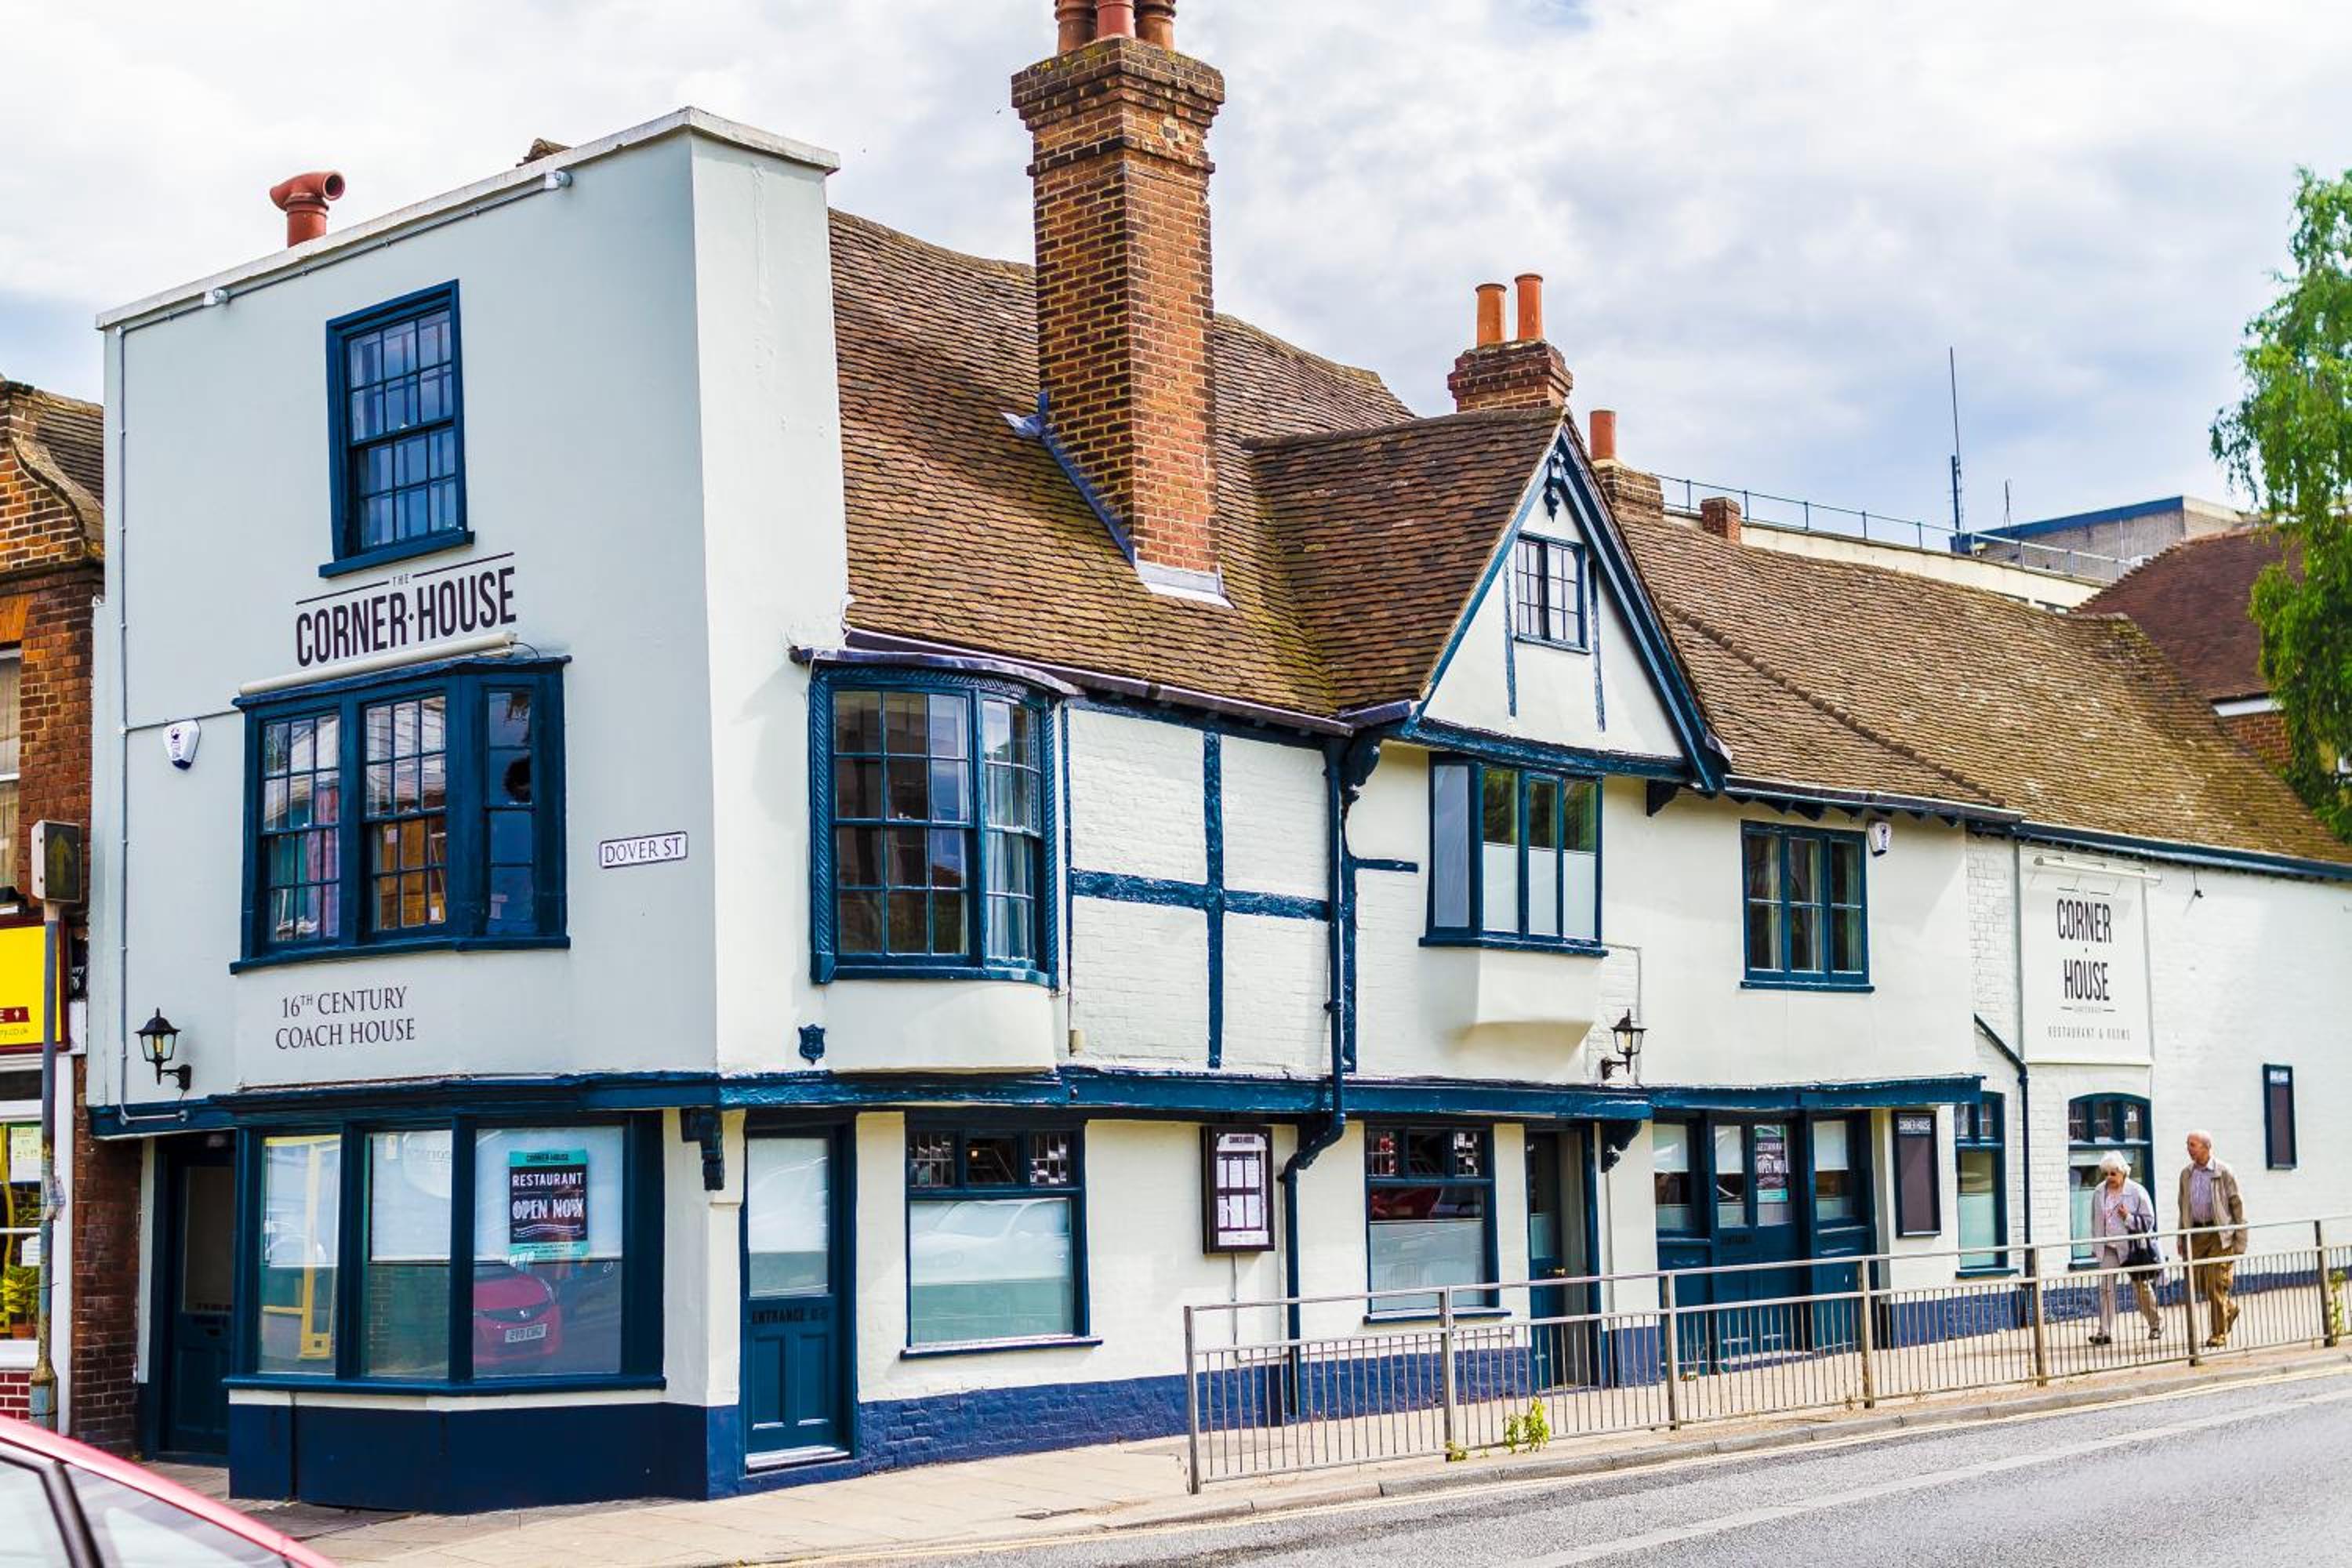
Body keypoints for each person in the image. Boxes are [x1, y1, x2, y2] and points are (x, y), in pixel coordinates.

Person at [2177, 1130, 2245, 1347]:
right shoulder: (2186, 1174)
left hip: (2219, 1234)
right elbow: (2183, 1207)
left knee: (2216, 1284)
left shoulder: (2223, 1172)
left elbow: (2237, 1205)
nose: (2189, 1148)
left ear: (2207, 1147)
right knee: (2198, 1282)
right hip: (2196, 1233)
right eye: (2188, 1144)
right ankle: (2229, 1308)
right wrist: (2181, 1237)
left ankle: (2219, 1333)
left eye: (2193, 1145)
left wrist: (2240, 1240)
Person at [2086, 1152, 2161, 1345]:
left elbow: (2149, 1221)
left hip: (2132, 1248)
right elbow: (2095, 1220)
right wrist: (2096, 1245)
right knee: (2106, 1289)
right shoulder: (2099, 1192)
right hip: (2108, 1248)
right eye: (2106, 1174)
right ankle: (2104, 1332)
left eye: (2113, 1174)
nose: (2109, 1178)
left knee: (2142, 1287)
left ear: (2123, 1173)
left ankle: (2156, 1325)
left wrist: (2128, 1217)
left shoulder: (2137, 1191)